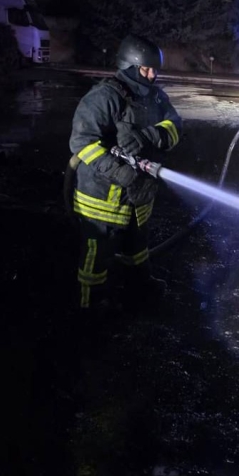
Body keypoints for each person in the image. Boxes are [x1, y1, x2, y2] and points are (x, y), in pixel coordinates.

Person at [69, 33, 183, 313]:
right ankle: (91, 303)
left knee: (137, 242)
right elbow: (82, 143)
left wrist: (151, 135)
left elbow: (175, 126)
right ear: (130, 66)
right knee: (98, 251)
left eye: (155, 69)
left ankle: (139, 285)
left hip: (139, 192)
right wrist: (118, 172)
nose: (152, 75)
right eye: (146, 69)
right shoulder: (104, 97)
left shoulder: (156, 98)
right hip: (102, 196)